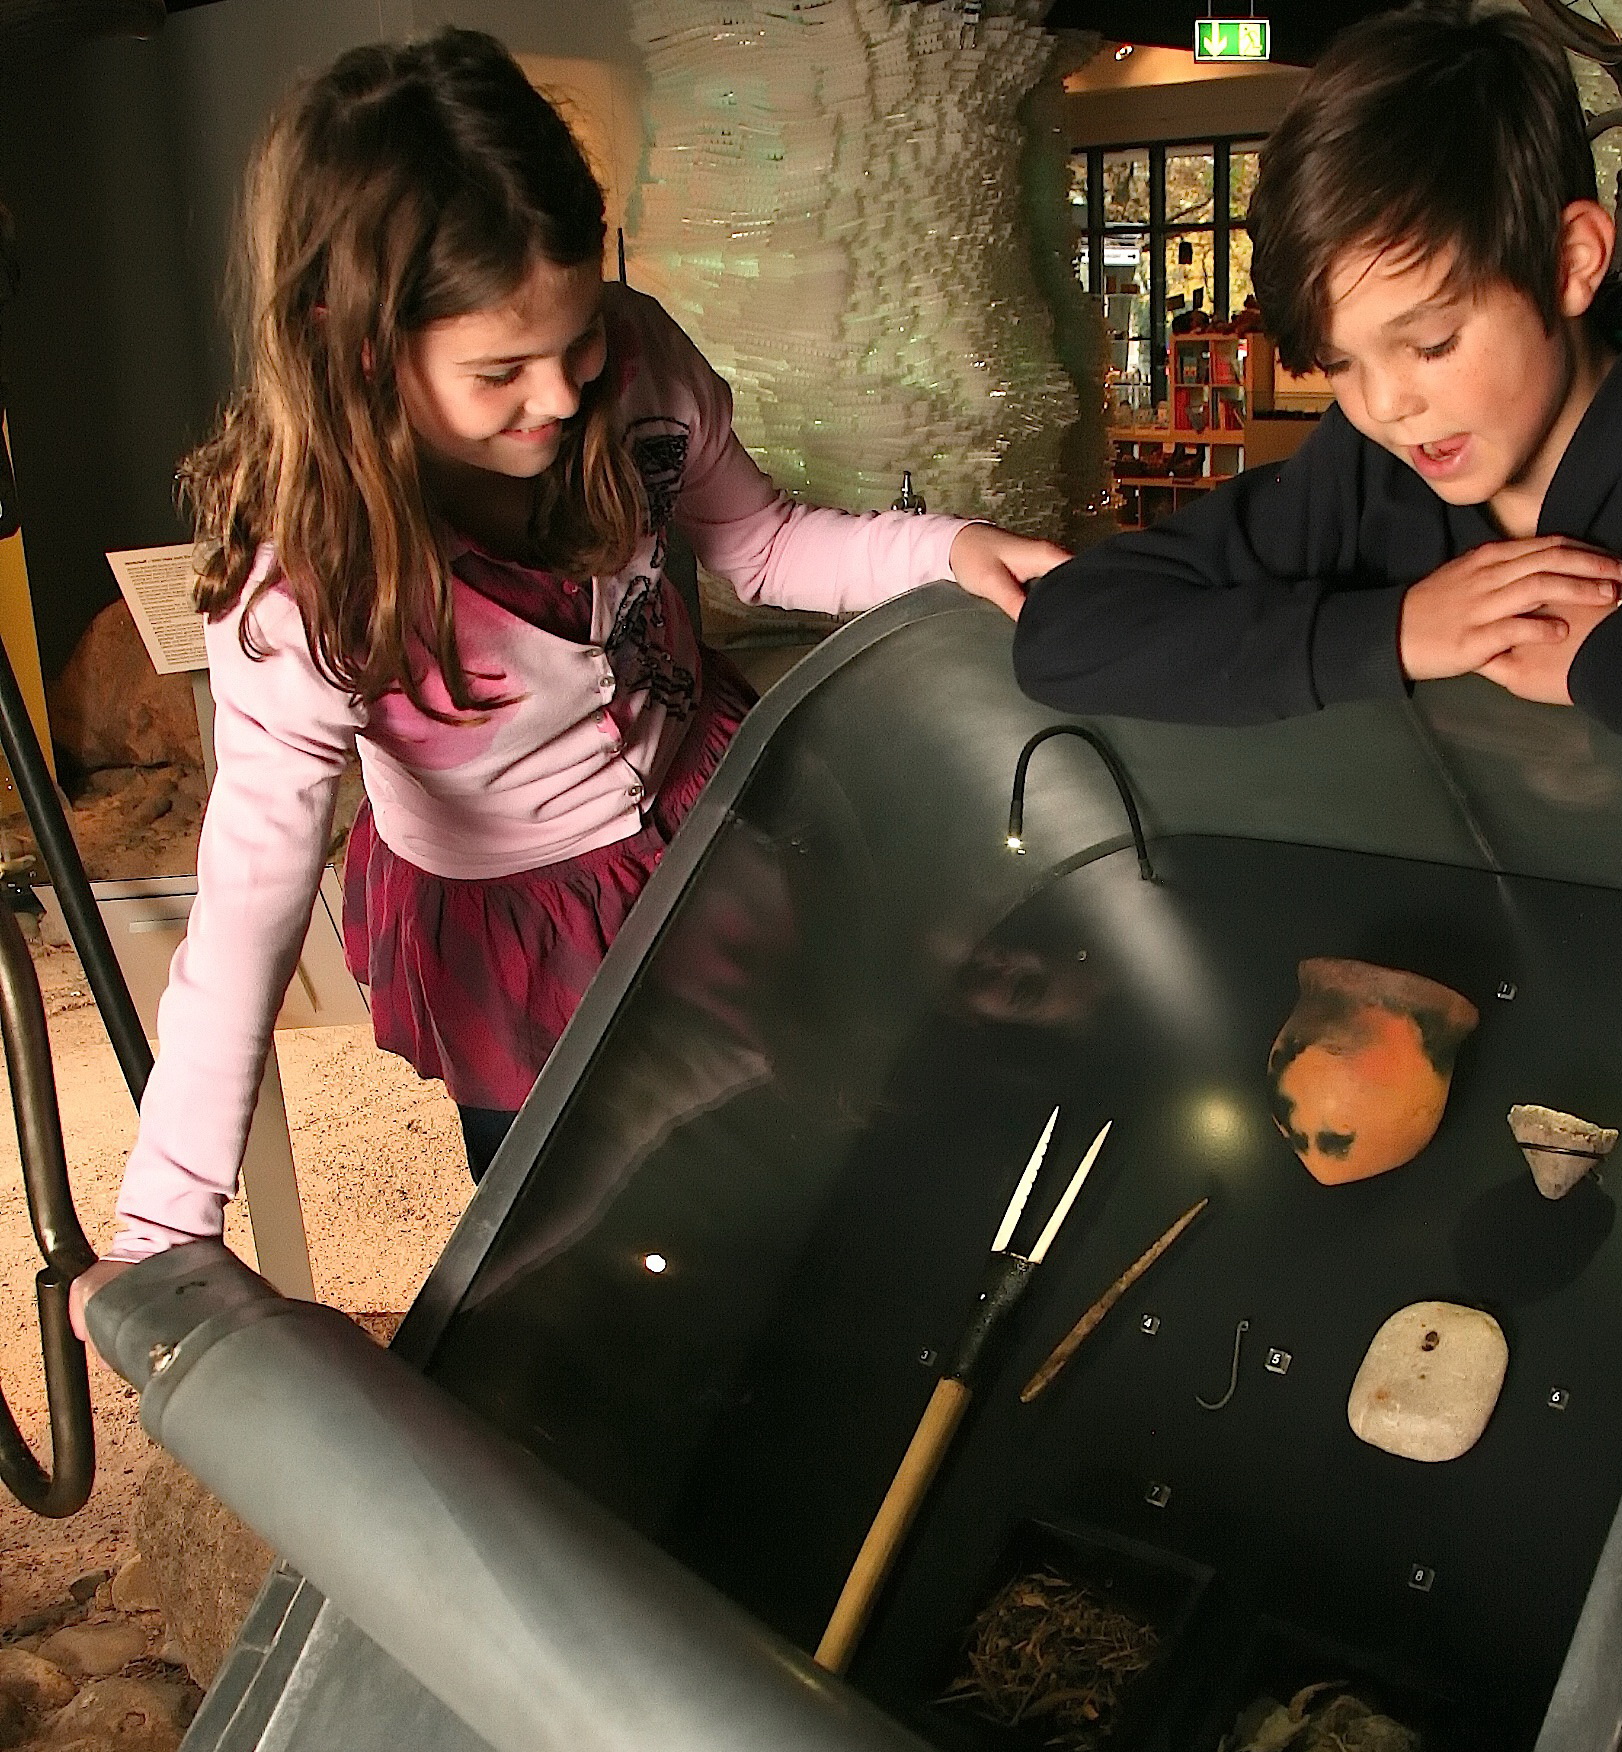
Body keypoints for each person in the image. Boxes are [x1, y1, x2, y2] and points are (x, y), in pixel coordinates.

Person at [74, 28, 1066, 1316]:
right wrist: (165, 1220)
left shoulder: (638, 363)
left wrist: (947, 547)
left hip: (716, 825)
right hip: (516, 937)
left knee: (798, 1157)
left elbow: (761, 542)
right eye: (500, 371)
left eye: (577, 336)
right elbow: (252, 890)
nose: (556, 394)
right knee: (575, 1241)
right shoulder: (305, 577)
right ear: (356, 342)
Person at [1013, 4, 1622, 871]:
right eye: (1343, 363)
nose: (1386, 405)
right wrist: (1396, 629)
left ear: (1569, 263)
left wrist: (1610, 656)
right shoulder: (1365, 470)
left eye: (1430, 342)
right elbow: (1067, 631)